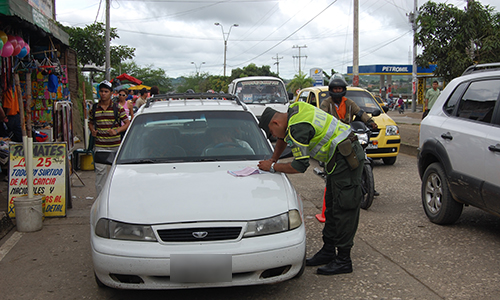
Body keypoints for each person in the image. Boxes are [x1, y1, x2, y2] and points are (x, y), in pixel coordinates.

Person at [258, 102, 364, 276]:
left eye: (271, 133)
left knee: (344, 208)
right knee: (331, 205)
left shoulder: (297, 127)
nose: (273, 136)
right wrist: (273, 159)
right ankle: (329, 251)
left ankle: (344, 259)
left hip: (346, 158)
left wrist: (272, 167)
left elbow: (299, 166)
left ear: (275, 123)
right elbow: (282, 139)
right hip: (337, 159)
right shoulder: (296, 110)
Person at [88, 80, 130, 196]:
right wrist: (92, 130)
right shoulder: (94, 108)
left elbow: (127, 123)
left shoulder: (118, 108)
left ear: (111, 93)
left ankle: (115, 196)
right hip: (100, 146)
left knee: (115, 174)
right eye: (101, 91)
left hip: (115, 146)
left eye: (106, 91)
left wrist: (116, 131)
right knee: (100, 175)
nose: (103, 94)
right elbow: (90, 122)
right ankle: (100, 198)